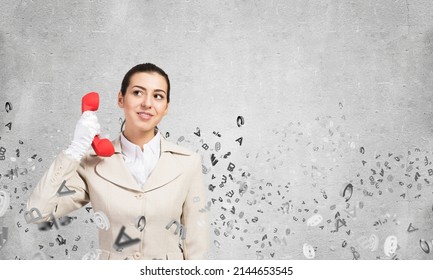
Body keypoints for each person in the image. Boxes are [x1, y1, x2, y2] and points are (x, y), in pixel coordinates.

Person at [26, 63, 209, 260]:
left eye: (158, 96)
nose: (147, 103)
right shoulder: (93, 164)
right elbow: (36, 213)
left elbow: (196, 243)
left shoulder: (188, 163)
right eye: (138, 92)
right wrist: (75, 150)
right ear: (121, 99)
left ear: (166, 107)